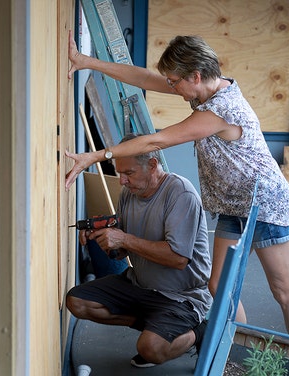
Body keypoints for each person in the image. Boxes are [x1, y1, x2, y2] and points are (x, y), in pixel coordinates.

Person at [64, 31, 289, 338]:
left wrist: (96, 156)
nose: (171, 86)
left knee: (283, 289)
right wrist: (87, 62)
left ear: (195, 75)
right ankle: (239, 353)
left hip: (265, 204)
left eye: (175, 80)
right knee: (219, 285)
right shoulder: (203, 90)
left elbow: (157, 139)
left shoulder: (221, 110)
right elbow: (143, 79)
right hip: (233, 206)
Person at [66, 133, 212, 368]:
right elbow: (122, 252)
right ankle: (155, 324)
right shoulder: (129, 193)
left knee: (150, 348)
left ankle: (199, 331)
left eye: (129, 173)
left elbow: (178, 258)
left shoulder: (180, 193)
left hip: (181, 296)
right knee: (77, 301)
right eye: (119, 172)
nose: (122, 180)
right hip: (141, 285)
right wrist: (104, 240)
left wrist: (123, 238)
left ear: (153, 165)